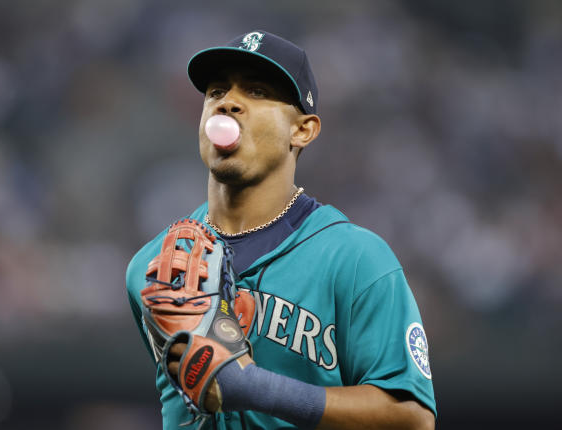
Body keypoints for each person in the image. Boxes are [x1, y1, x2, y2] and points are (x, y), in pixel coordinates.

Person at [126, 30, 436, 429]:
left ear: (302, 129)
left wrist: (256, 388)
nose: (229, 102)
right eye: (217, 91)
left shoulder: (356, 260)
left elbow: (413, 419)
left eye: (256, 91)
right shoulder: (151, 268)